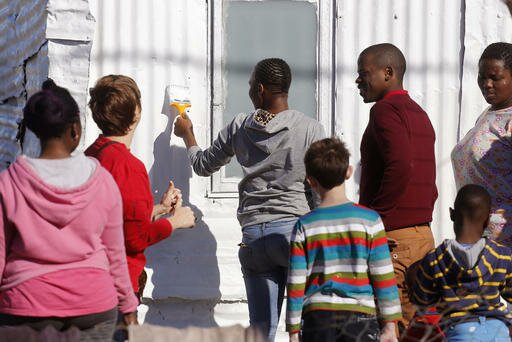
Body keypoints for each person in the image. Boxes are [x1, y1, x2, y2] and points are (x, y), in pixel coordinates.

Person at [174, 58, 325, 341]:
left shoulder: (240, 127)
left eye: (249, 84)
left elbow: (203, 165)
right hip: (294, 237)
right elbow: (318, 192)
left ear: (260, 89)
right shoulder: (310, 129)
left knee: (261, 331)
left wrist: (188, 134)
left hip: (254, 238)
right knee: (307, 328)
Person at [0, 80, 138, 339]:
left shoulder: (9, 184)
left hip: (25, 306)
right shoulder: (101, 181)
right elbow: (115, 254)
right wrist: (128, 307)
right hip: (93, 307)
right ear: (75, 130)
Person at [85, 75, 196, 302]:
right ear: (136, 112)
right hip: (115, 287)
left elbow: (111, 219)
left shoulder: (92, 154)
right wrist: (176, 221)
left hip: (90, 279)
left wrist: (158, 208)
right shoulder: (129, 166)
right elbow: (134, 238)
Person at [285, 137, 401, 342]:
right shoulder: (370, 221)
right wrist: (390, 325)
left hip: (317, 319)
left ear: (310, 180)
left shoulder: (304, 225)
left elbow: (296, 282)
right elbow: (383, 276)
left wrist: (294, 331)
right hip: (360, 318)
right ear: (349, 172)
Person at [355, 43, 438, 330]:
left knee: (395, 328)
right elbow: (428, 180)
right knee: (421, 329)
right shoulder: (418, 112)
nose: (357, 80)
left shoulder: (384, 111)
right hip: (422, 237)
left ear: (388, 73)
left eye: (363, 73)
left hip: (395, 242)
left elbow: (402, 166)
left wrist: (376, 217)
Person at [411, 184, 512, 341]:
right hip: (498, 332)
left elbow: (422, 301)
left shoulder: (435, 259)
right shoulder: (502, 256)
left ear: (452, 214)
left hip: (460, 331)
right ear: (487, 222)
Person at [451, 42, 512, 245]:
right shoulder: (487, 115)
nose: (486, 84)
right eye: (482, 77)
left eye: (495, 78)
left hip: (503, 242)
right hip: (476, 238)